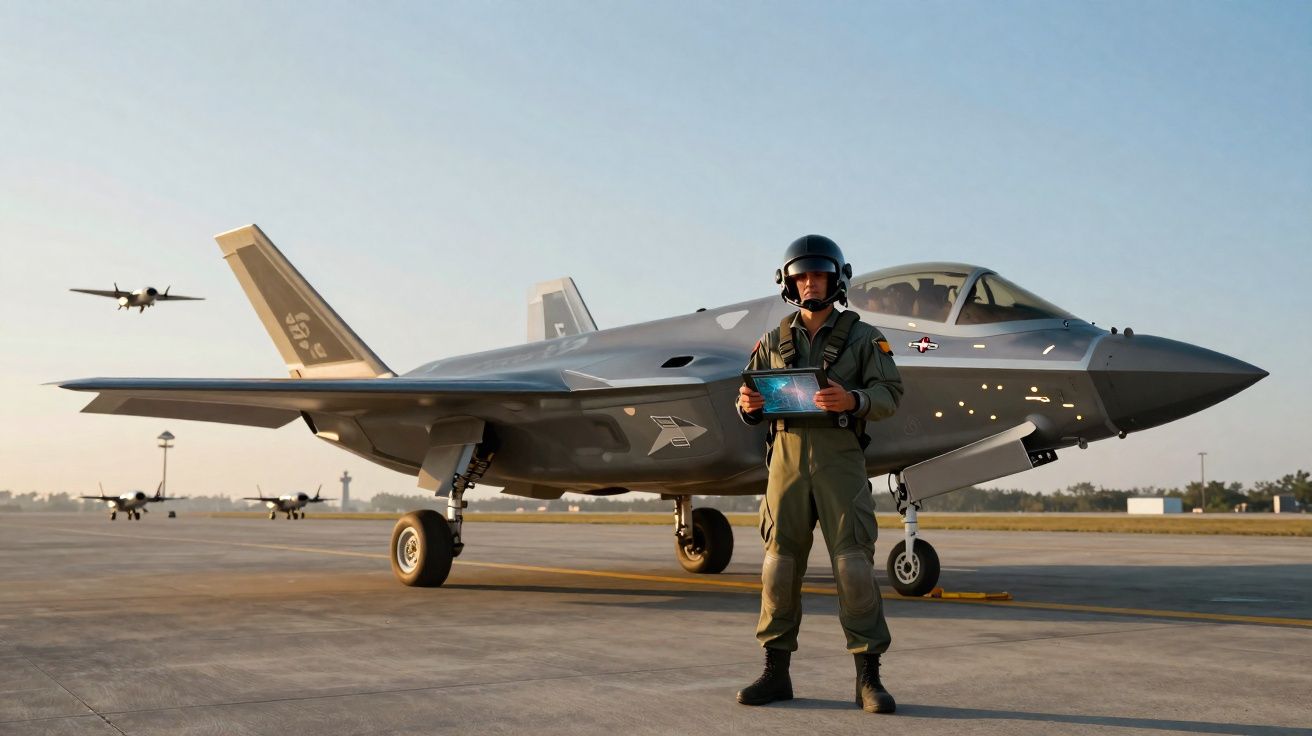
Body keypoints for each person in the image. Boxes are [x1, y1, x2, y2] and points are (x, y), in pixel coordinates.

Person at [735, 234, 904, 713]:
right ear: (789, 281)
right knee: (779, 565)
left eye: (819, 274)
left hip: (839, 454)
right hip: (785, 457)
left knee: (853, 565)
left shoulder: (865, 337)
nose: (810, 283)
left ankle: (868, 678)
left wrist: (854, 400)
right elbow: (749, 395)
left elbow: (890, 394)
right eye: (801, 275)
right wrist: (748, 406)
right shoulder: (772, 340)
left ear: (836, 278)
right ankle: (775, 673)